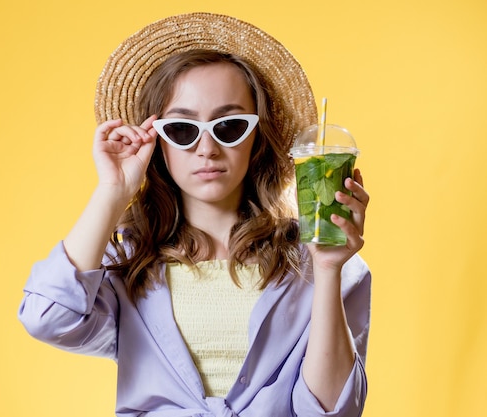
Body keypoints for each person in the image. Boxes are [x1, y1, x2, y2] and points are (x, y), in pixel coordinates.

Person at [18, 12, 371, 417]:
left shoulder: (324, 262)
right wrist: (112, 193)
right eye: (183, 130)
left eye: (230, 125)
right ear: (158, 143)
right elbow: (47, 318)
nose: (207, 148)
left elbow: (332, 411)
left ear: (256, 137)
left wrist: (327, 269)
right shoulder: (129, 261)